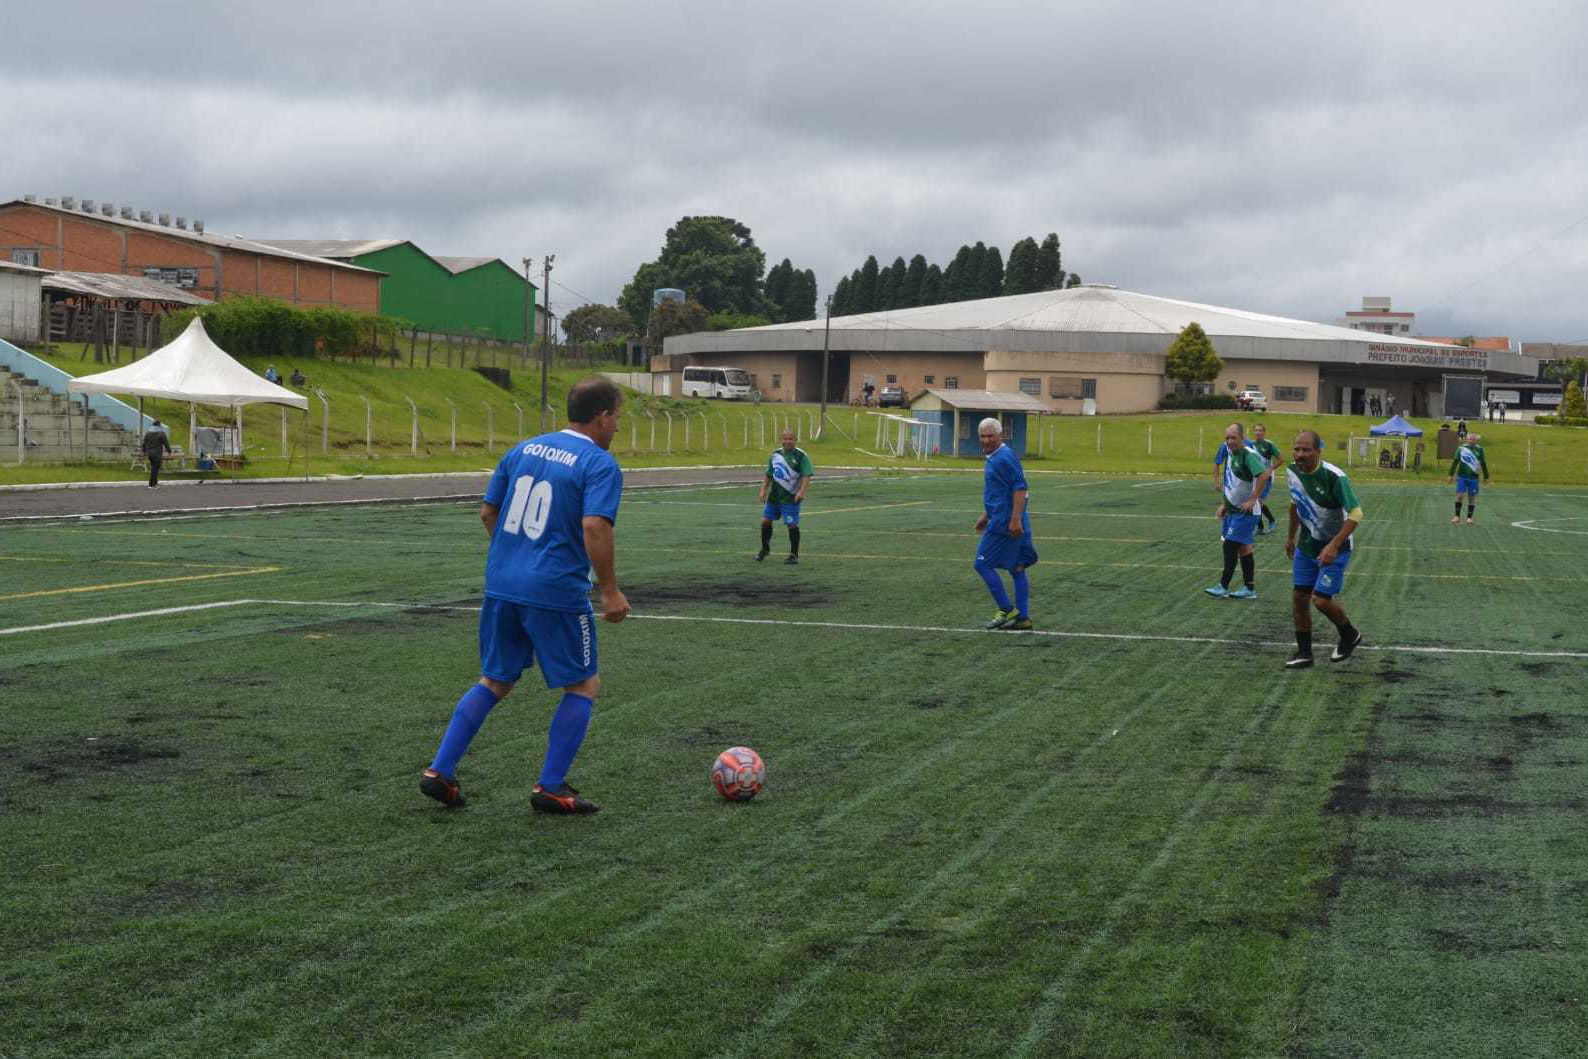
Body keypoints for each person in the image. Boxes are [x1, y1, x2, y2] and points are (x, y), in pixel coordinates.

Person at [419, 376, 629, 814]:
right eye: (617, 419)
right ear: (603, 415)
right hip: (555, 589)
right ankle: (550, 787)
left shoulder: (522, 450)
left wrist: (515, 557)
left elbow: (487, 512)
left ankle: (440, 770)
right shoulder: (598, 463)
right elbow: (595, 525)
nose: (617, 429)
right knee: (583, 684)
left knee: (495, 679)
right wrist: (609, 591)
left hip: (502, 584)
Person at [1284, 430, 1364, 668]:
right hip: (1307, 547)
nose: (1300, 454)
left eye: (1306, 450)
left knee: (1319, 600)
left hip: (1335, 548)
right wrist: (1290, 537)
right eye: (1297, 449)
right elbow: (1295, 503)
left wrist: (1333, 545)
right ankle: (1304, 653)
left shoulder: (1334, 477)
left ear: (1318, 451)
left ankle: (1349, 634)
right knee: (1299, 598)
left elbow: (1356, 513)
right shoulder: (1292, 472)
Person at [974, 418, 1037, 630]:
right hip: (1005, 518)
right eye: (983, 436)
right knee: (1017, 568)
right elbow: (1000, 490)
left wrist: (1015, 519)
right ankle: (1023, 618)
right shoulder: (995, 457)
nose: (986, 440)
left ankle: (1006, 608)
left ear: (1000, 436)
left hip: (1006, 523)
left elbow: (1020, 489)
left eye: (990, 436)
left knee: (982, 563)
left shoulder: (1004, 458)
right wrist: (986, 514)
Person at [1205, 423, 1271, 600]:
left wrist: (1253, 498)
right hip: (1234, 510)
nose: (1229, 441)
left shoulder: (1248, 455)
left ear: (1242, 438)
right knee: (1244, 549)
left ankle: (1223, 586)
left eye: (1233, 437)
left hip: (1246, 512)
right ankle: (1249, 589)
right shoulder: (1230, 454)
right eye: (1227, 438)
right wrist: (1225, 504)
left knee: (1229, 545)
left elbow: (1264, 475)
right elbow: (1232, 483)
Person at [757, 428, 812, 564]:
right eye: (785, 438)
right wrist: (763, 490)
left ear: (795, 440)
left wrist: (801, 492)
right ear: (781, 439)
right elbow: (769, 474)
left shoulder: (801, 456)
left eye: (790, 439)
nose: (787, 441)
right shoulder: (775, 454)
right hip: (774, 496)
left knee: (791, 524)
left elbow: (806, 476)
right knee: (765, 521)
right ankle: (765, 549)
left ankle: (794, 554)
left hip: (790, 498)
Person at [1448, 431, 1490, 524]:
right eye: (1470, 438)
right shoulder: (1461, 449)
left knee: (1472, 497)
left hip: (1474, 477)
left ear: (1477, 440)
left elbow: (1483, 463)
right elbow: (1455, 462)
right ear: (1467, 439)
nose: (1472, 440)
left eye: (1474, 439)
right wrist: (1451, 475)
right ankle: (1457, 516)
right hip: (1462, 476)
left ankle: (1469, 518)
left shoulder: (1480, 450)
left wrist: (1486, 476)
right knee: (1460, 495)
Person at [1249, 422, 1281, 533]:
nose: (1258, 432)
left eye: (1260, 430)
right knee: (1254, 501)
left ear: (1264, 432)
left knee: (1258, 501)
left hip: (1266, 477)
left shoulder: (1269, 444)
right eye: (1256, 430)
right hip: (1255, 478)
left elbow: (1280, 459)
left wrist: (1270, 469)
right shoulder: (1250, 444)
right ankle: (1260, 527)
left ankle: (1271, 521)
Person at [141, 418, 172, 488]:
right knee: (155, 469)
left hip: (149, 453)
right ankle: (152, 484)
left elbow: (144, 443)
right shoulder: (161, 433)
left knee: (153, 468)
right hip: (157, 454)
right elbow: (166, 443)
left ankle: (154, 483)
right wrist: (169, 451)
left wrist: (144, 451)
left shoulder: (148, 433)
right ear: (159, 425)